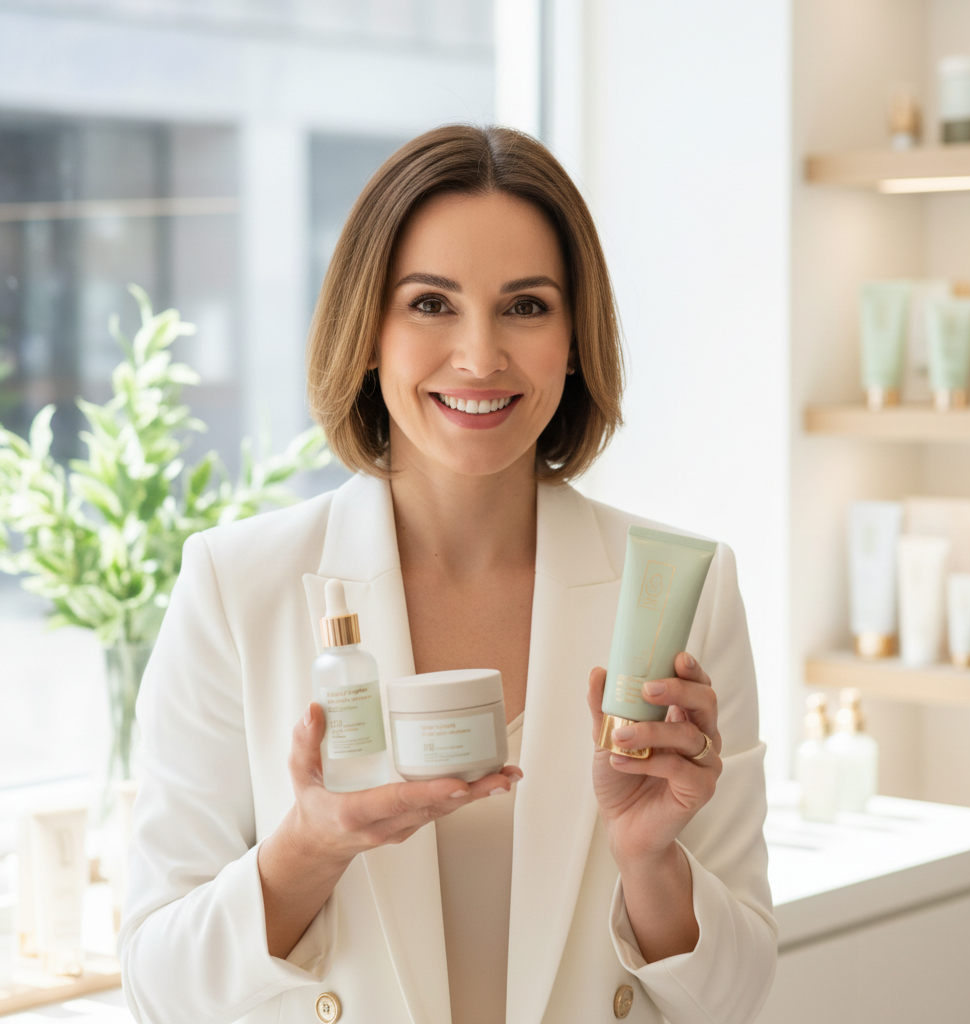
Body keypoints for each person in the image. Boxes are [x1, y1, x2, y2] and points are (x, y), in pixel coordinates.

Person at [118, 125, 777, 1024]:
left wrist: (651, 859)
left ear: (577, 339)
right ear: (369, 333)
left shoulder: (678, 593)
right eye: (431, 304)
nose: (479, 356)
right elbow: (159, 989)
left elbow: (738, 999)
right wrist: (311, 848)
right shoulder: (238, 587)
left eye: (527, 306)